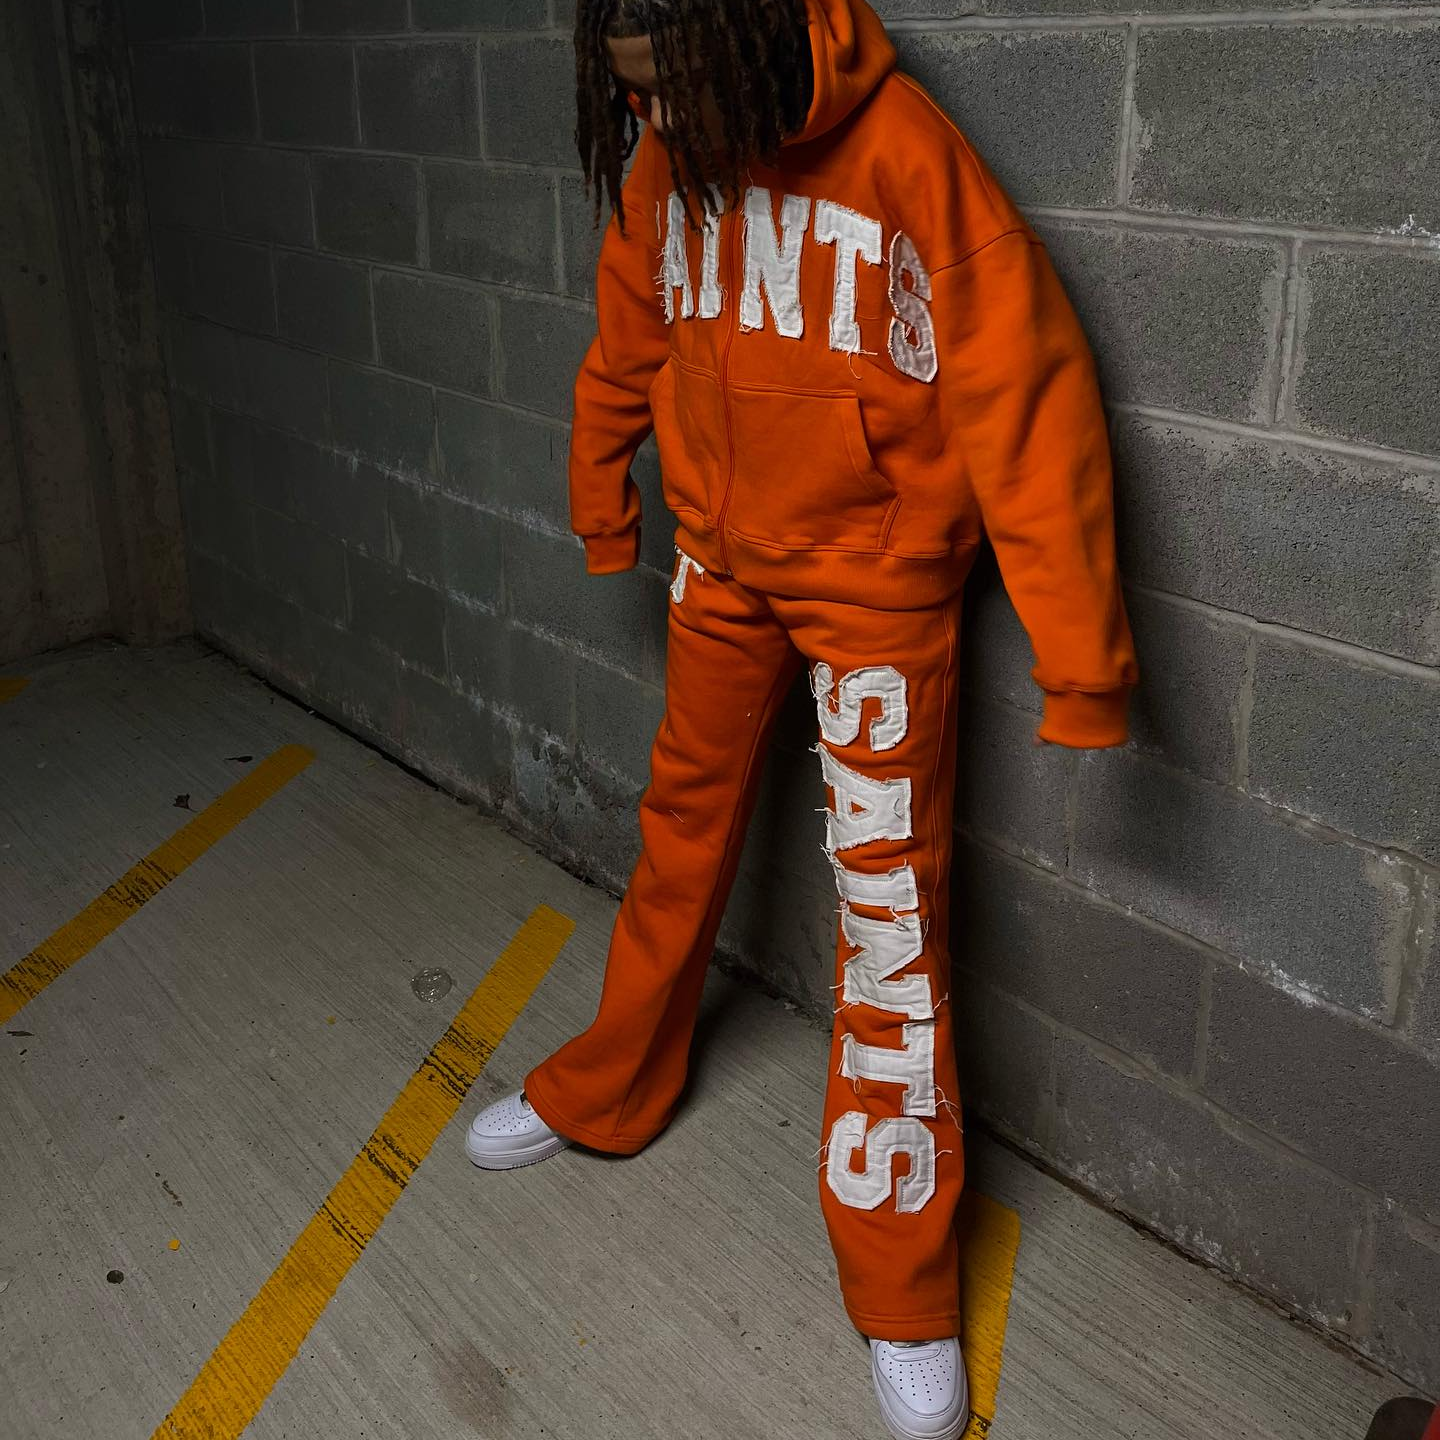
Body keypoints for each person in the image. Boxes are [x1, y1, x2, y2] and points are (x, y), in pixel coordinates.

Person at [465, 0, 1139, 1435]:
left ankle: (902, 1283)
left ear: (743, 36)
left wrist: (1082, 663)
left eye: (671, 90)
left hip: (877, 589)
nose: (657, 122)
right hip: (721, 563)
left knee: (889, 919)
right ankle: (608, 1089)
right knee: (678, 836)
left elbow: (1029, 399)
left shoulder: (908, 156)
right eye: (631, 97)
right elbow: (629, 331)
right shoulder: (666, 157)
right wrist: (602, 495)